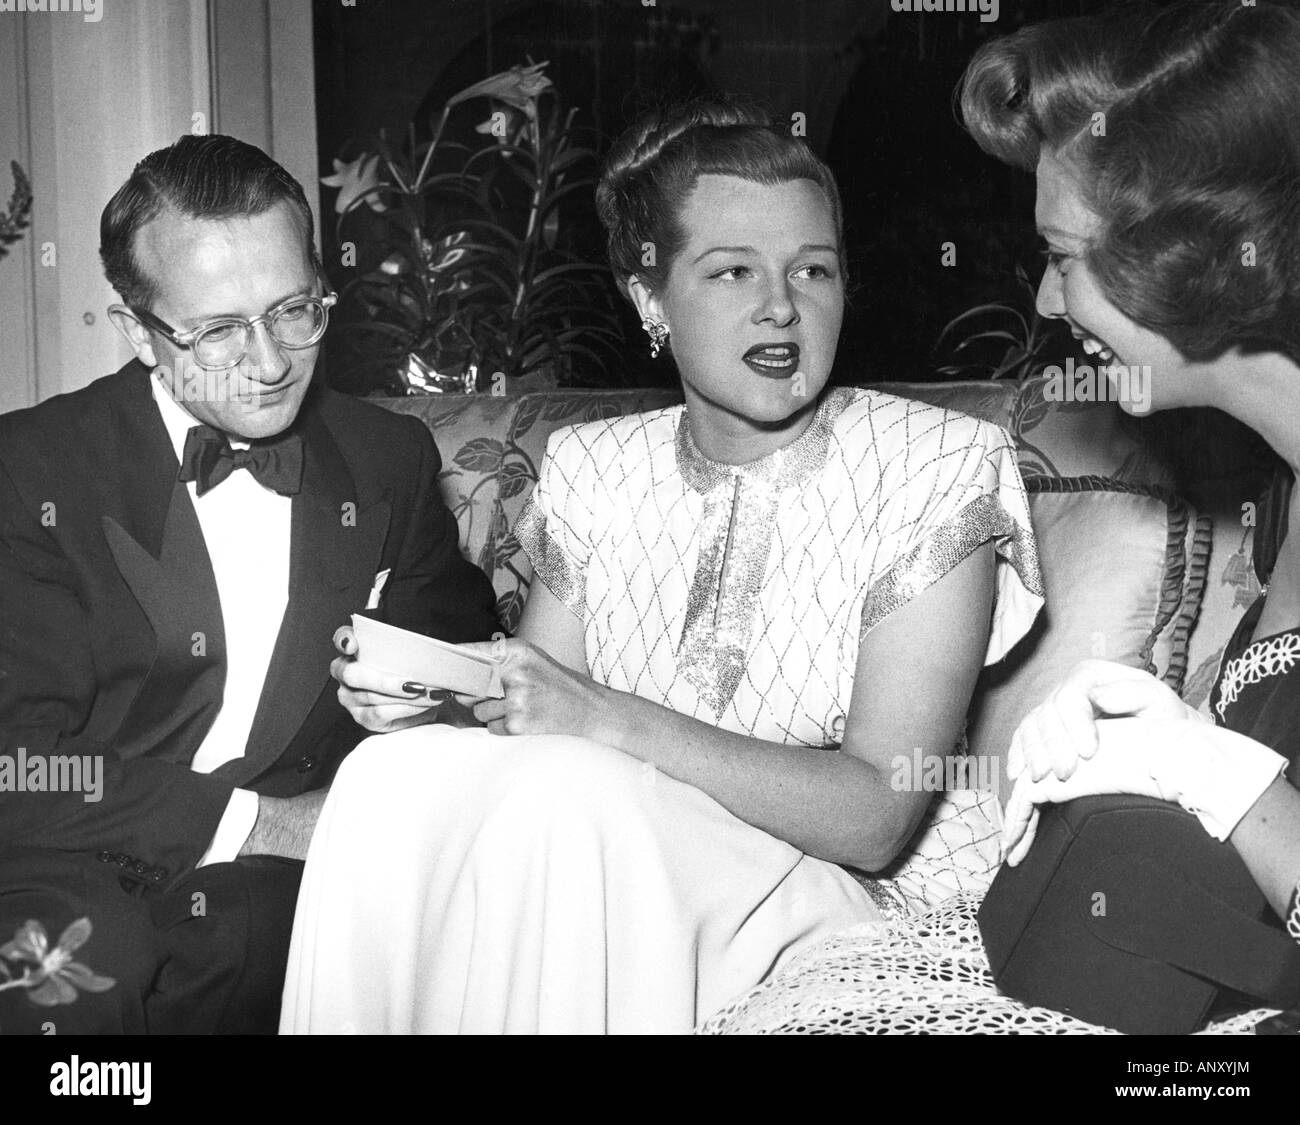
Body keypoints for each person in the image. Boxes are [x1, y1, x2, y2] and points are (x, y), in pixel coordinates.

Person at [278, 102, 1044, 1034]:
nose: (780, 305)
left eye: (813, 269)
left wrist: (603, 716)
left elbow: (875, 818)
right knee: (389, 779)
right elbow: (542, 714)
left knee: (572, 797)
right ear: (649, 299)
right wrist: (440, 694)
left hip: (851, 906)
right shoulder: (595, 466)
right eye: (731, 271)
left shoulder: (937, 463)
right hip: (625, 860)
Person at [702, 0, 1300, 1035]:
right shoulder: (1279, 493)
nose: (1050, 301)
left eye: (1065, 257)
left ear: (1198, 254)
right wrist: (1159, 749)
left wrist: (1212, 775)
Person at [0, 135, 499, 1034]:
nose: (270, 363)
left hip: (276, 898)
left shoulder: (389, 460)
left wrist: (427, 705)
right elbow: (19, 764)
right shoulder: (27, 468)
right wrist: (261, 822)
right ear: (136, 332)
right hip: (67, 859)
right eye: (219, 330)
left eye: (294, 310)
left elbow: (464, 677)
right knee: (79, 968)